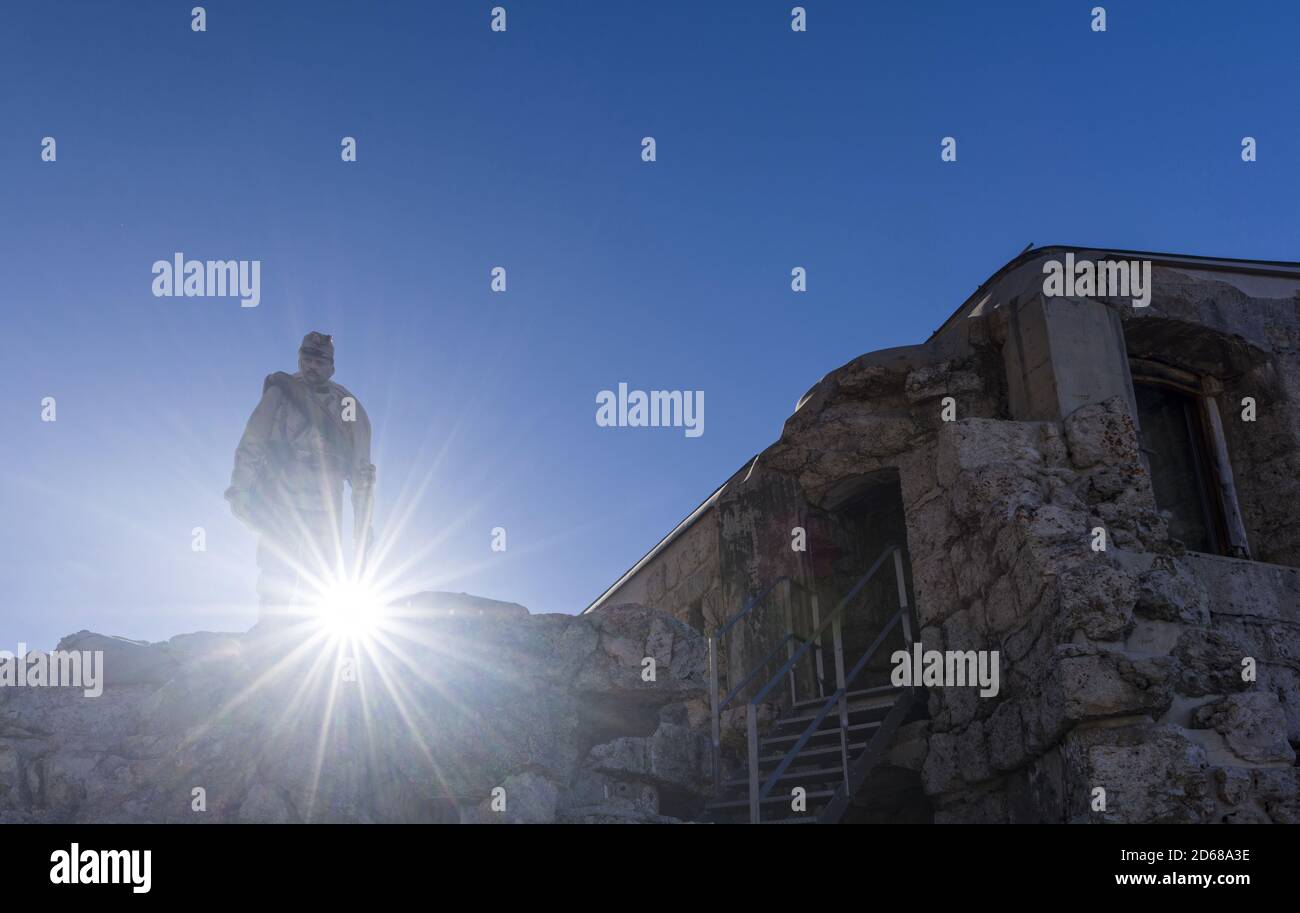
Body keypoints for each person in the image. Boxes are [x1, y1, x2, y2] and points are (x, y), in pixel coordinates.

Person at [225, 332, 375, 624]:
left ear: (331, 367)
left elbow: (361, 471)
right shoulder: (281, 391)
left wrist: (363, 524)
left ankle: (311, 644)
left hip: (326, 502)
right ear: (299, 358)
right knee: (276, 569)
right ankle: (270, 634)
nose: (312, 366)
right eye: (307, 359)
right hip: (281, 493)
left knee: (319, 575)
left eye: (319, 361)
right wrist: (240, 488)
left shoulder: (347, 405)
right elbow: (252, 441)